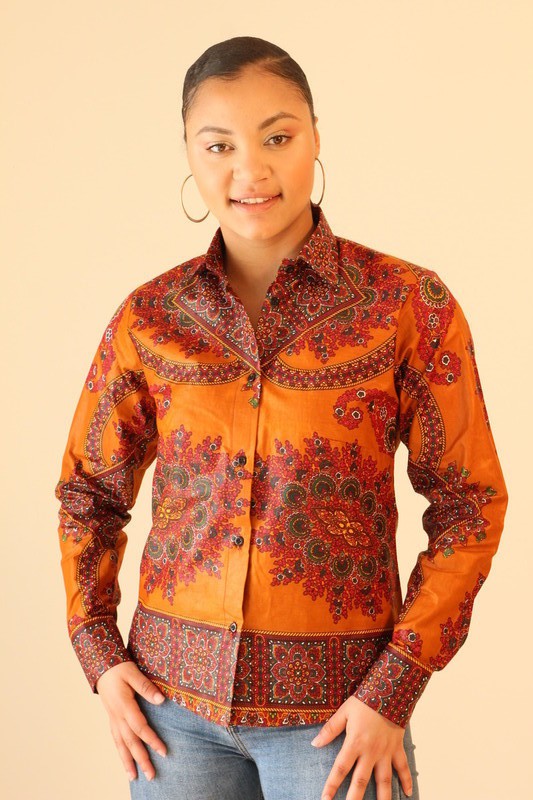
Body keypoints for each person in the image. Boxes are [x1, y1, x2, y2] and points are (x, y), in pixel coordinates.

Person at [55, 36, 508, 800]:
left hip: (343, 720)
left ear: (315, 137)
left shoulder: (406, 305)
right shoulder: (149, 318)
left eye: (276, 137)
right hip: (171, 719)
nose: (250, 170)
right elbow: (87, 494)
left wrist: (394, 687)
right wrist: (99, 656)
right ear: (188, 154)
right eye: (219, 145)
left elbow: (470, 502)